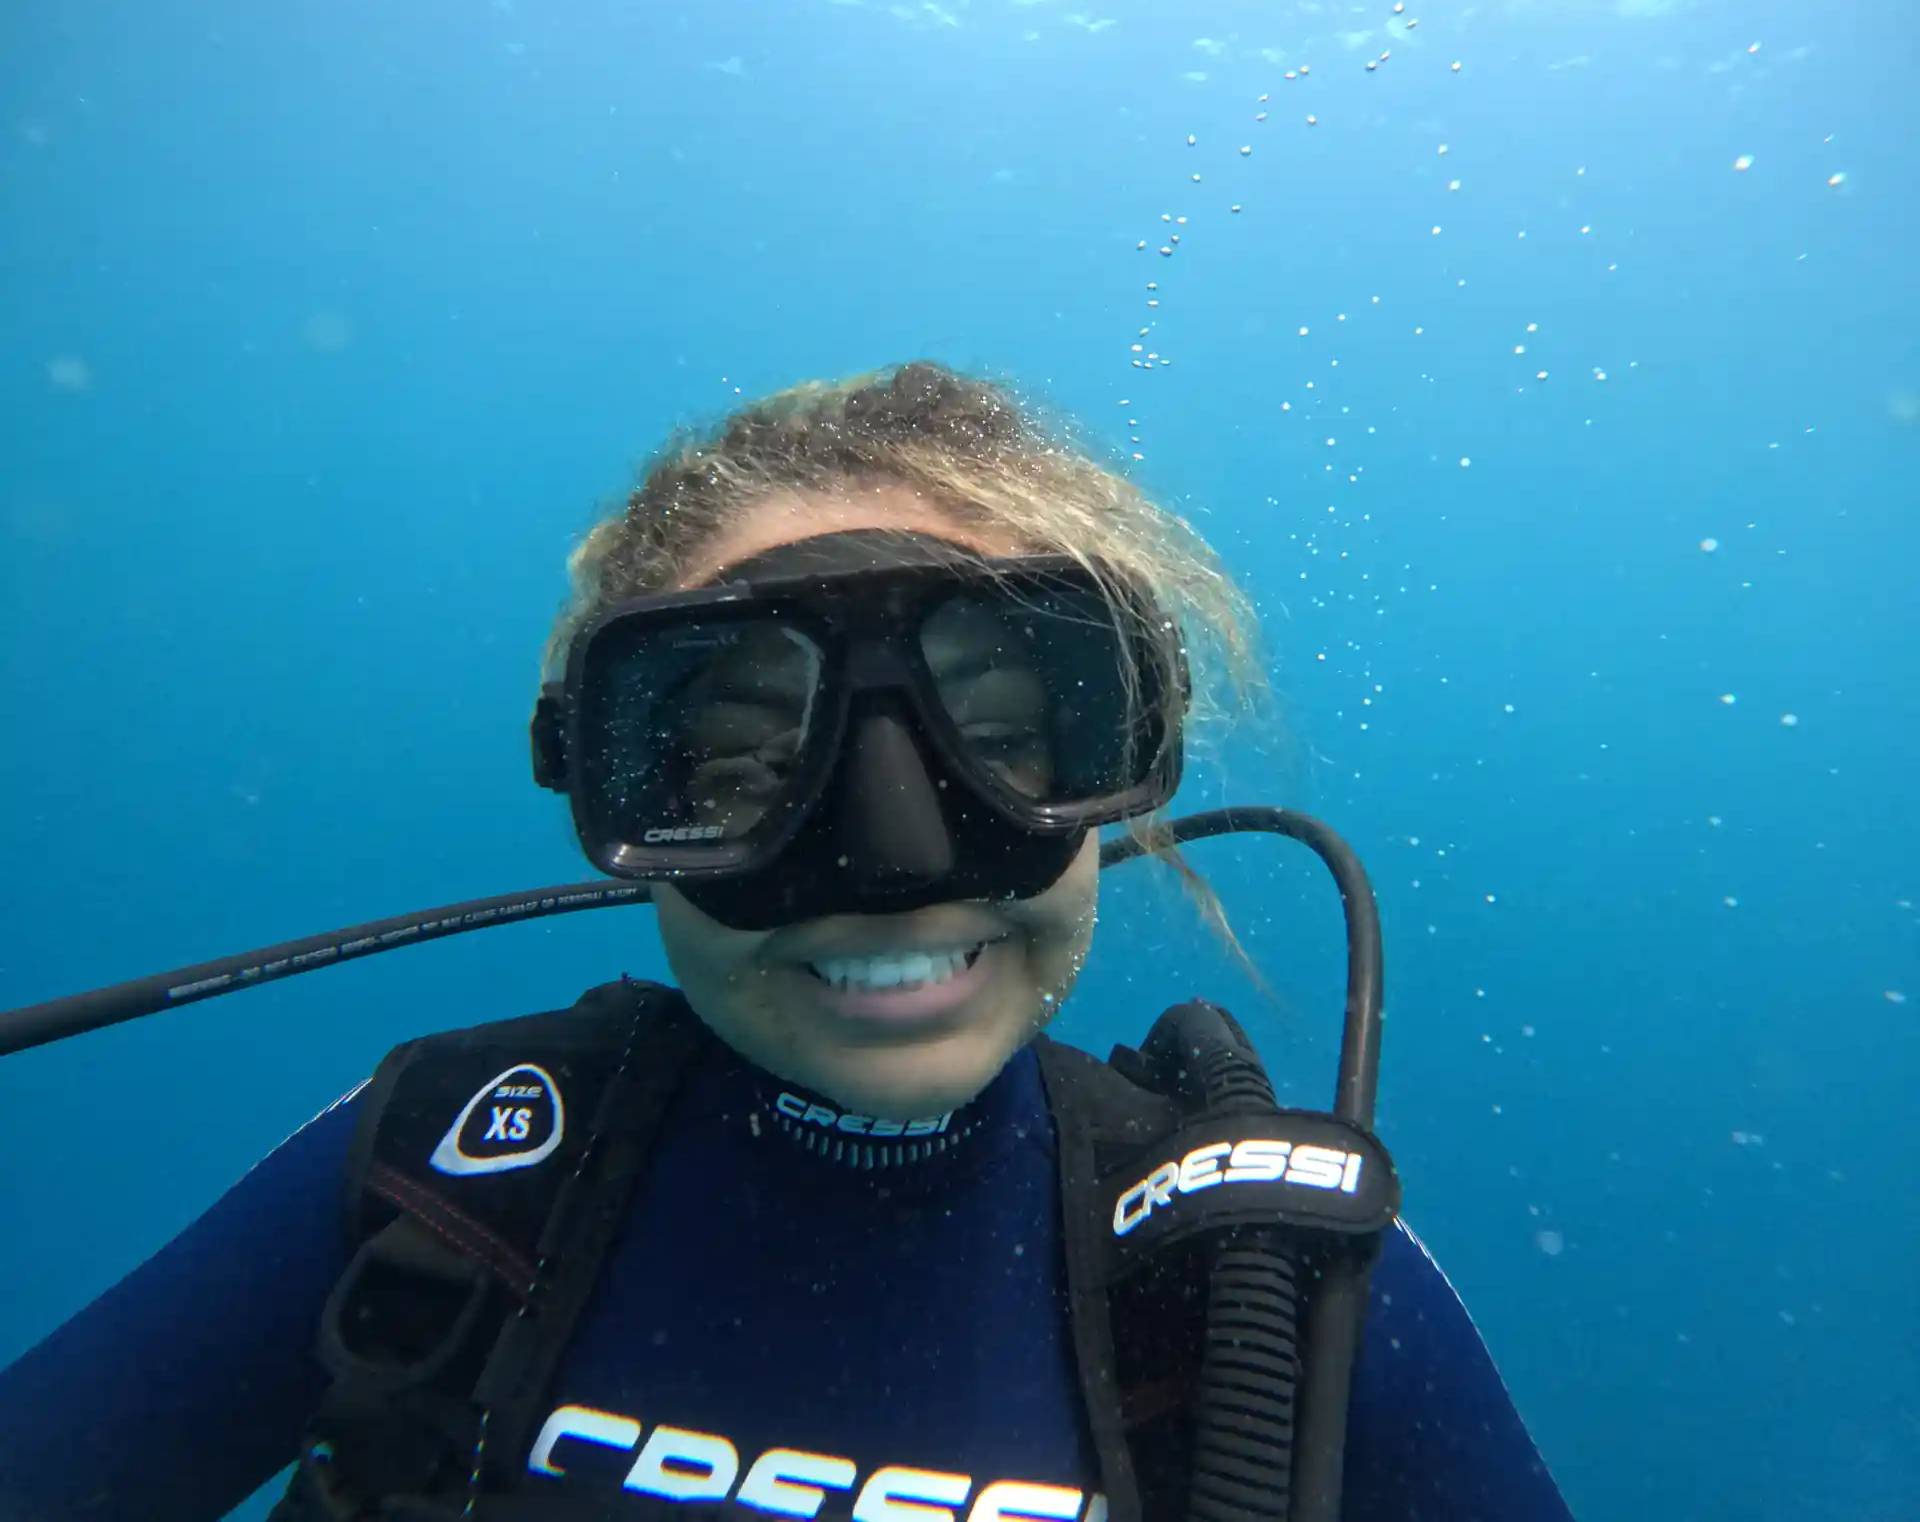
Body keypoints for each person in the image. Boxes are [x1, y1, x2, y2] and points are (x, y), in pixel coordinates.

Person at [0, 363, 1572, 1522]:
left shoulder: (1270, 1284)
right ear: (606, 787)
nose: (892, 867)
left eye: (1002, 743)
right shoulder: (447, 1179)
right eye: (749, 771)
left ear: (1128, 755)